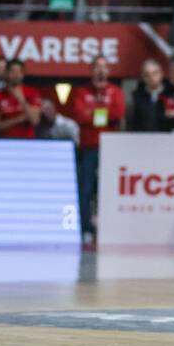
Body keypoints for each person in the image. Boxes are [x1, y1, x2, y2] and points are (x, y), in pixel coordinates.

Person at [66, 57, 126, 240]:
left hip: (111, 149)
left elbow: (118, 113)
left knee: (111, 190)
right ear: (91, 70)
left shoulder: (116, 91)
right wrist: (103, 111)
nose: (100, 71)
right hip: (89, 148)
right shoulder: (81, 92)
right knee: (85, 189)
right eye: (97, 67)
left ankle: (110, 228)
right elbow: (78, 115)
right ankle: (86, 229)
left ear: (108, 71)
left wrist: (92, 111)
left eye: (104, 67)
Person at [0, 59, 42, 138]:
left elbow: (35, 120)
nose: (16, 75)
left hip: (27, 142)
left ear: (23, 74)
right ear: (7, 73)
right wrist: (19, 119)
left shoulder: (32, 93)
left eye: (19, 72)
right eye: (13, 72)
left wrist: (21, 98)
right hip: (5, 142)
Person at [126, 59, 168, 132]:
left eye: (155, 73)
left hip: (167, 139)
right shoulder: (136, 96)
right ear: (143, 76)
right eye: (147, 75)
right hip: (142, 139)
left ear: (161, 74)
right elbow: (130, 123)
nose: (151, 78)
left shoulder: (171, 94)